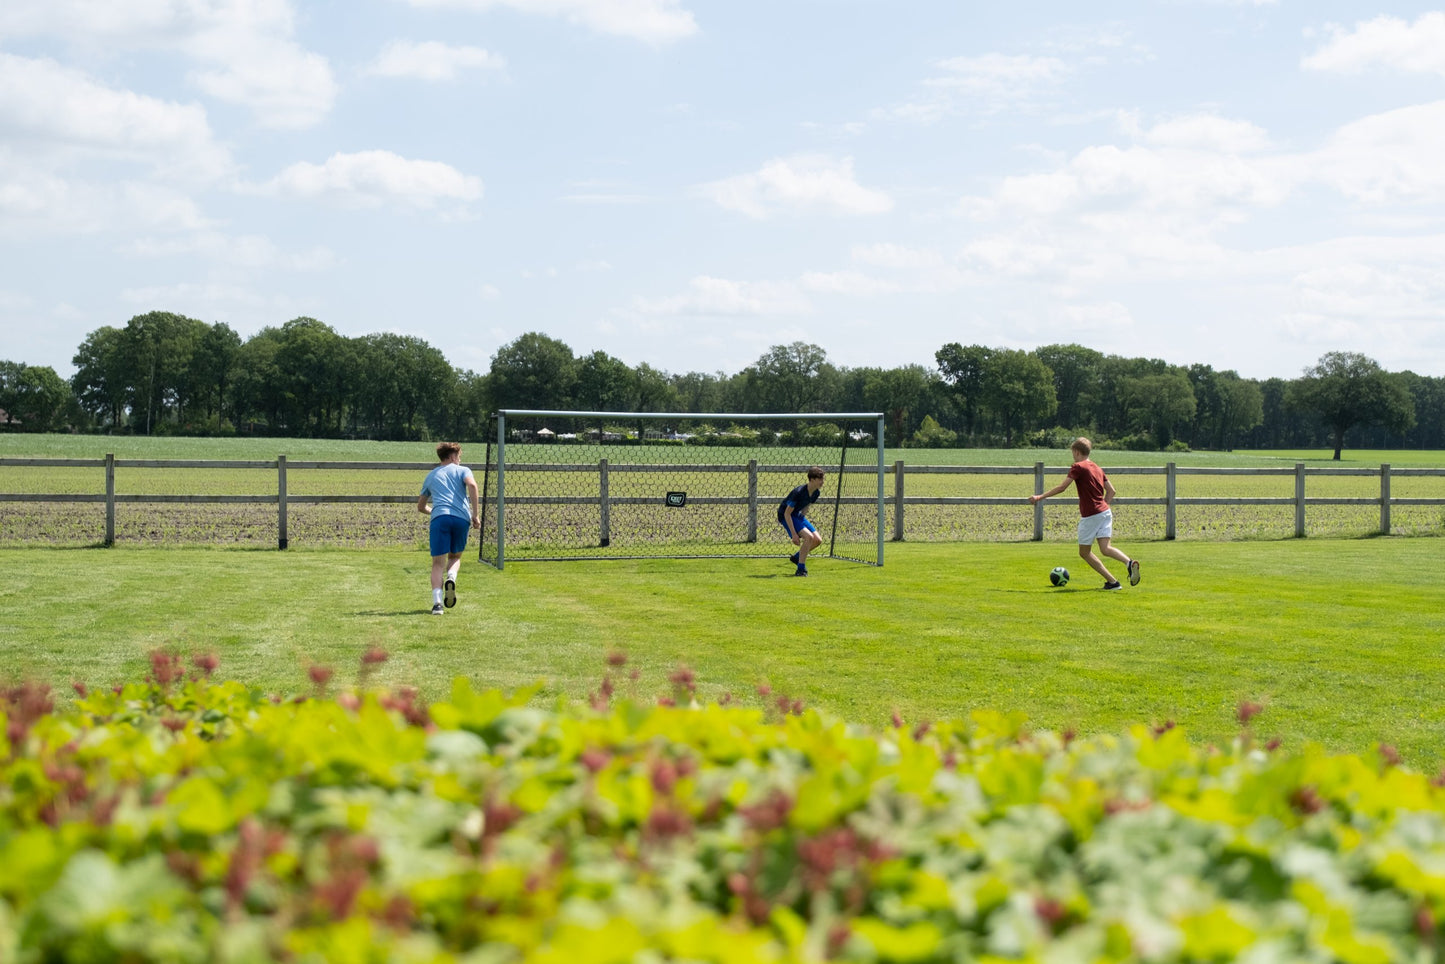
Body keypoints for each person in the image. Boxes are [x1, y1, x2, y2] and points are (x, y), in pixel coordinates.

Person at [1029, 438, 1140, 591]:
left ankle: (1113, 582)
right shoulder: (1097, 467)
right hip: (1105, 512)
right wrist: (1103, 506)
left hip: (1091, 515)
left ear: (1076, 452)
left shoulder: (1078, 467)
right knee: (1106, 548)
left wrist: (1039, 497)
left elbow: (1062, 487)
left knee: (1084, 552)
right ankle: (1128, 563)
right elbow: (1112, 491)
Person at [417, 441, 480, 615]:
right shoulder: (463, 470)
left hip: (439, 519)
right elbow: (473, 486)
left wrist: (436, 512)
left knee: (438, 563)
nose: (459, 460)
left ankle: (437, 605)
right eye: (459, 457)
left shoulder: (431, 475)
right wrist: (475, 514)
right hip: (461, 519)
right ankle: (451, 578)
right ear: (452, 456)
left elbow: (421, 506)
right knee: (455, 557)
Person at [778, 466, 826, 577]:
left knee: (817, 540)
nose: (822, 482)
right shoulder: (798, 492)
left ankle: (797, 557)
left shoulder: (816, 493)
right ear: (812, 480)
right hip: (786, 515)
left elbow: (806, 505)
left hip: (797, 515)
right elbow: (787, 513)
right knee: (809, 537)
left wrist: (801, 520)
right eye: (820, 479)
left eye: (823, 479)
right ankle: (800, 570)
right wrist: (794, 534)